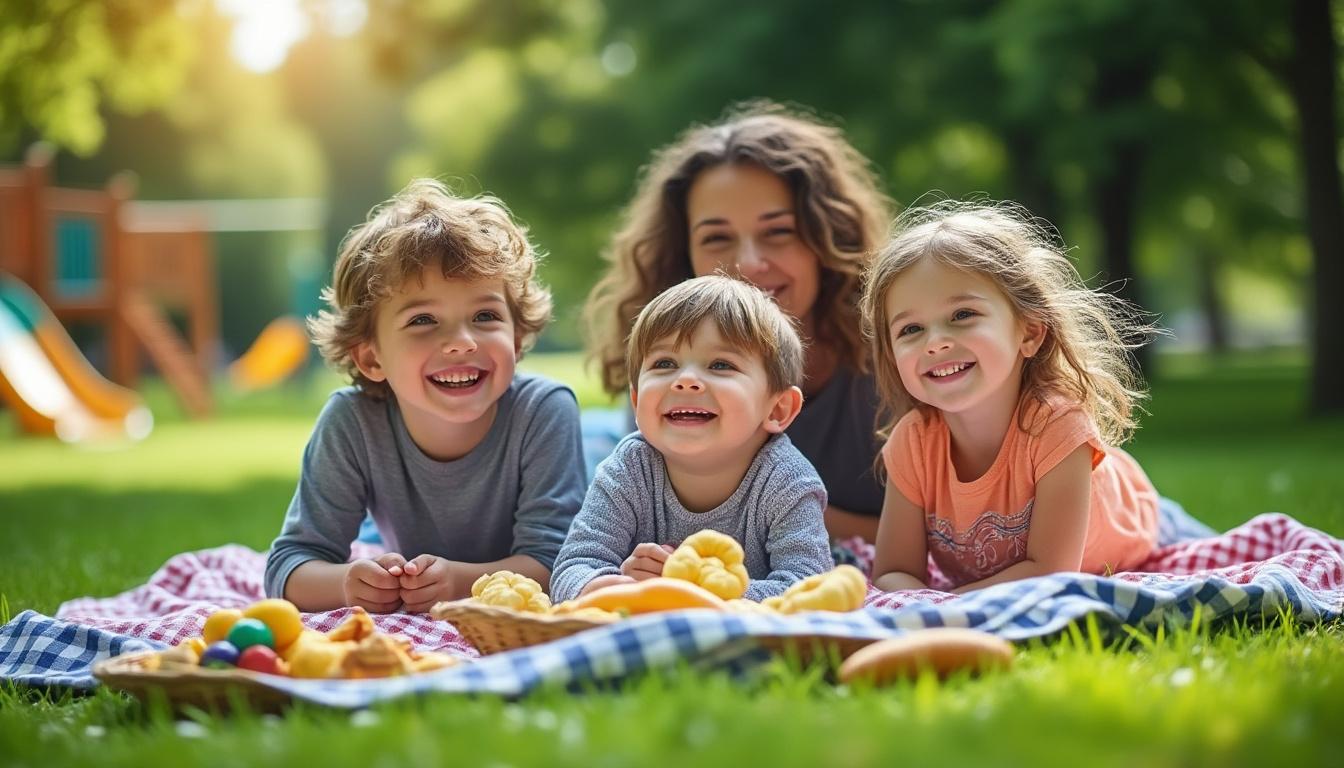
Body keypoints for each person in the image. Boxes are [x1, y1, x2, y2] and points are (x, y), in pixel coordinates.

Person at [264, 179, 585, 612]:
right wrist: (346, 584)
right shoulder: (352, 422)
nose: (461, 342)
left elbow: (561, 564)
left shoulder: (544, 411)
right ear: (371, 358)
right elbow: (288, 566)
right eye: (423, 320)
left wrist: (458, 581)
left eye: (486, 315)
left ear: (518, 332)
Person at [584, 101, 894, 544]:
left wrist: (782, 517)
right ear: (681, 256)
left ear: (827, 239)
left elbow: (940, 535)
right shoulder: (666, 374)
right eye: (717, 238)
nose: (748, 264)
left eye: (778, 231)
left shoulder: (895, 363)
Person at [864, 201, 1160, 594]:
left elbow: (1050, 574)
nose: (935, 342)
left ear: (1030, 333)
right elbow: (892, 573)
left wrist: (944, 603)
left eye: (963, 315)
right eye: (911, 329)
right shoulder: (913, 444)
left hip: (1130, 512)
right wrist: (923, 603)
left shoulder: (1058, 427)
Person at [551, 275, 834, 602]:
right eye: (664, 363)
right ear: (636, 400)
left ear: (778, 409)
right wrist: (610, 586)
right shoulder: (630, 468)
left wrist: (700, 590)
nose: (685, 380)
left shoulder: (786, 482)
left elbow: (809, 590)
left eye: (720, 365)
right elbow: (574, 565)